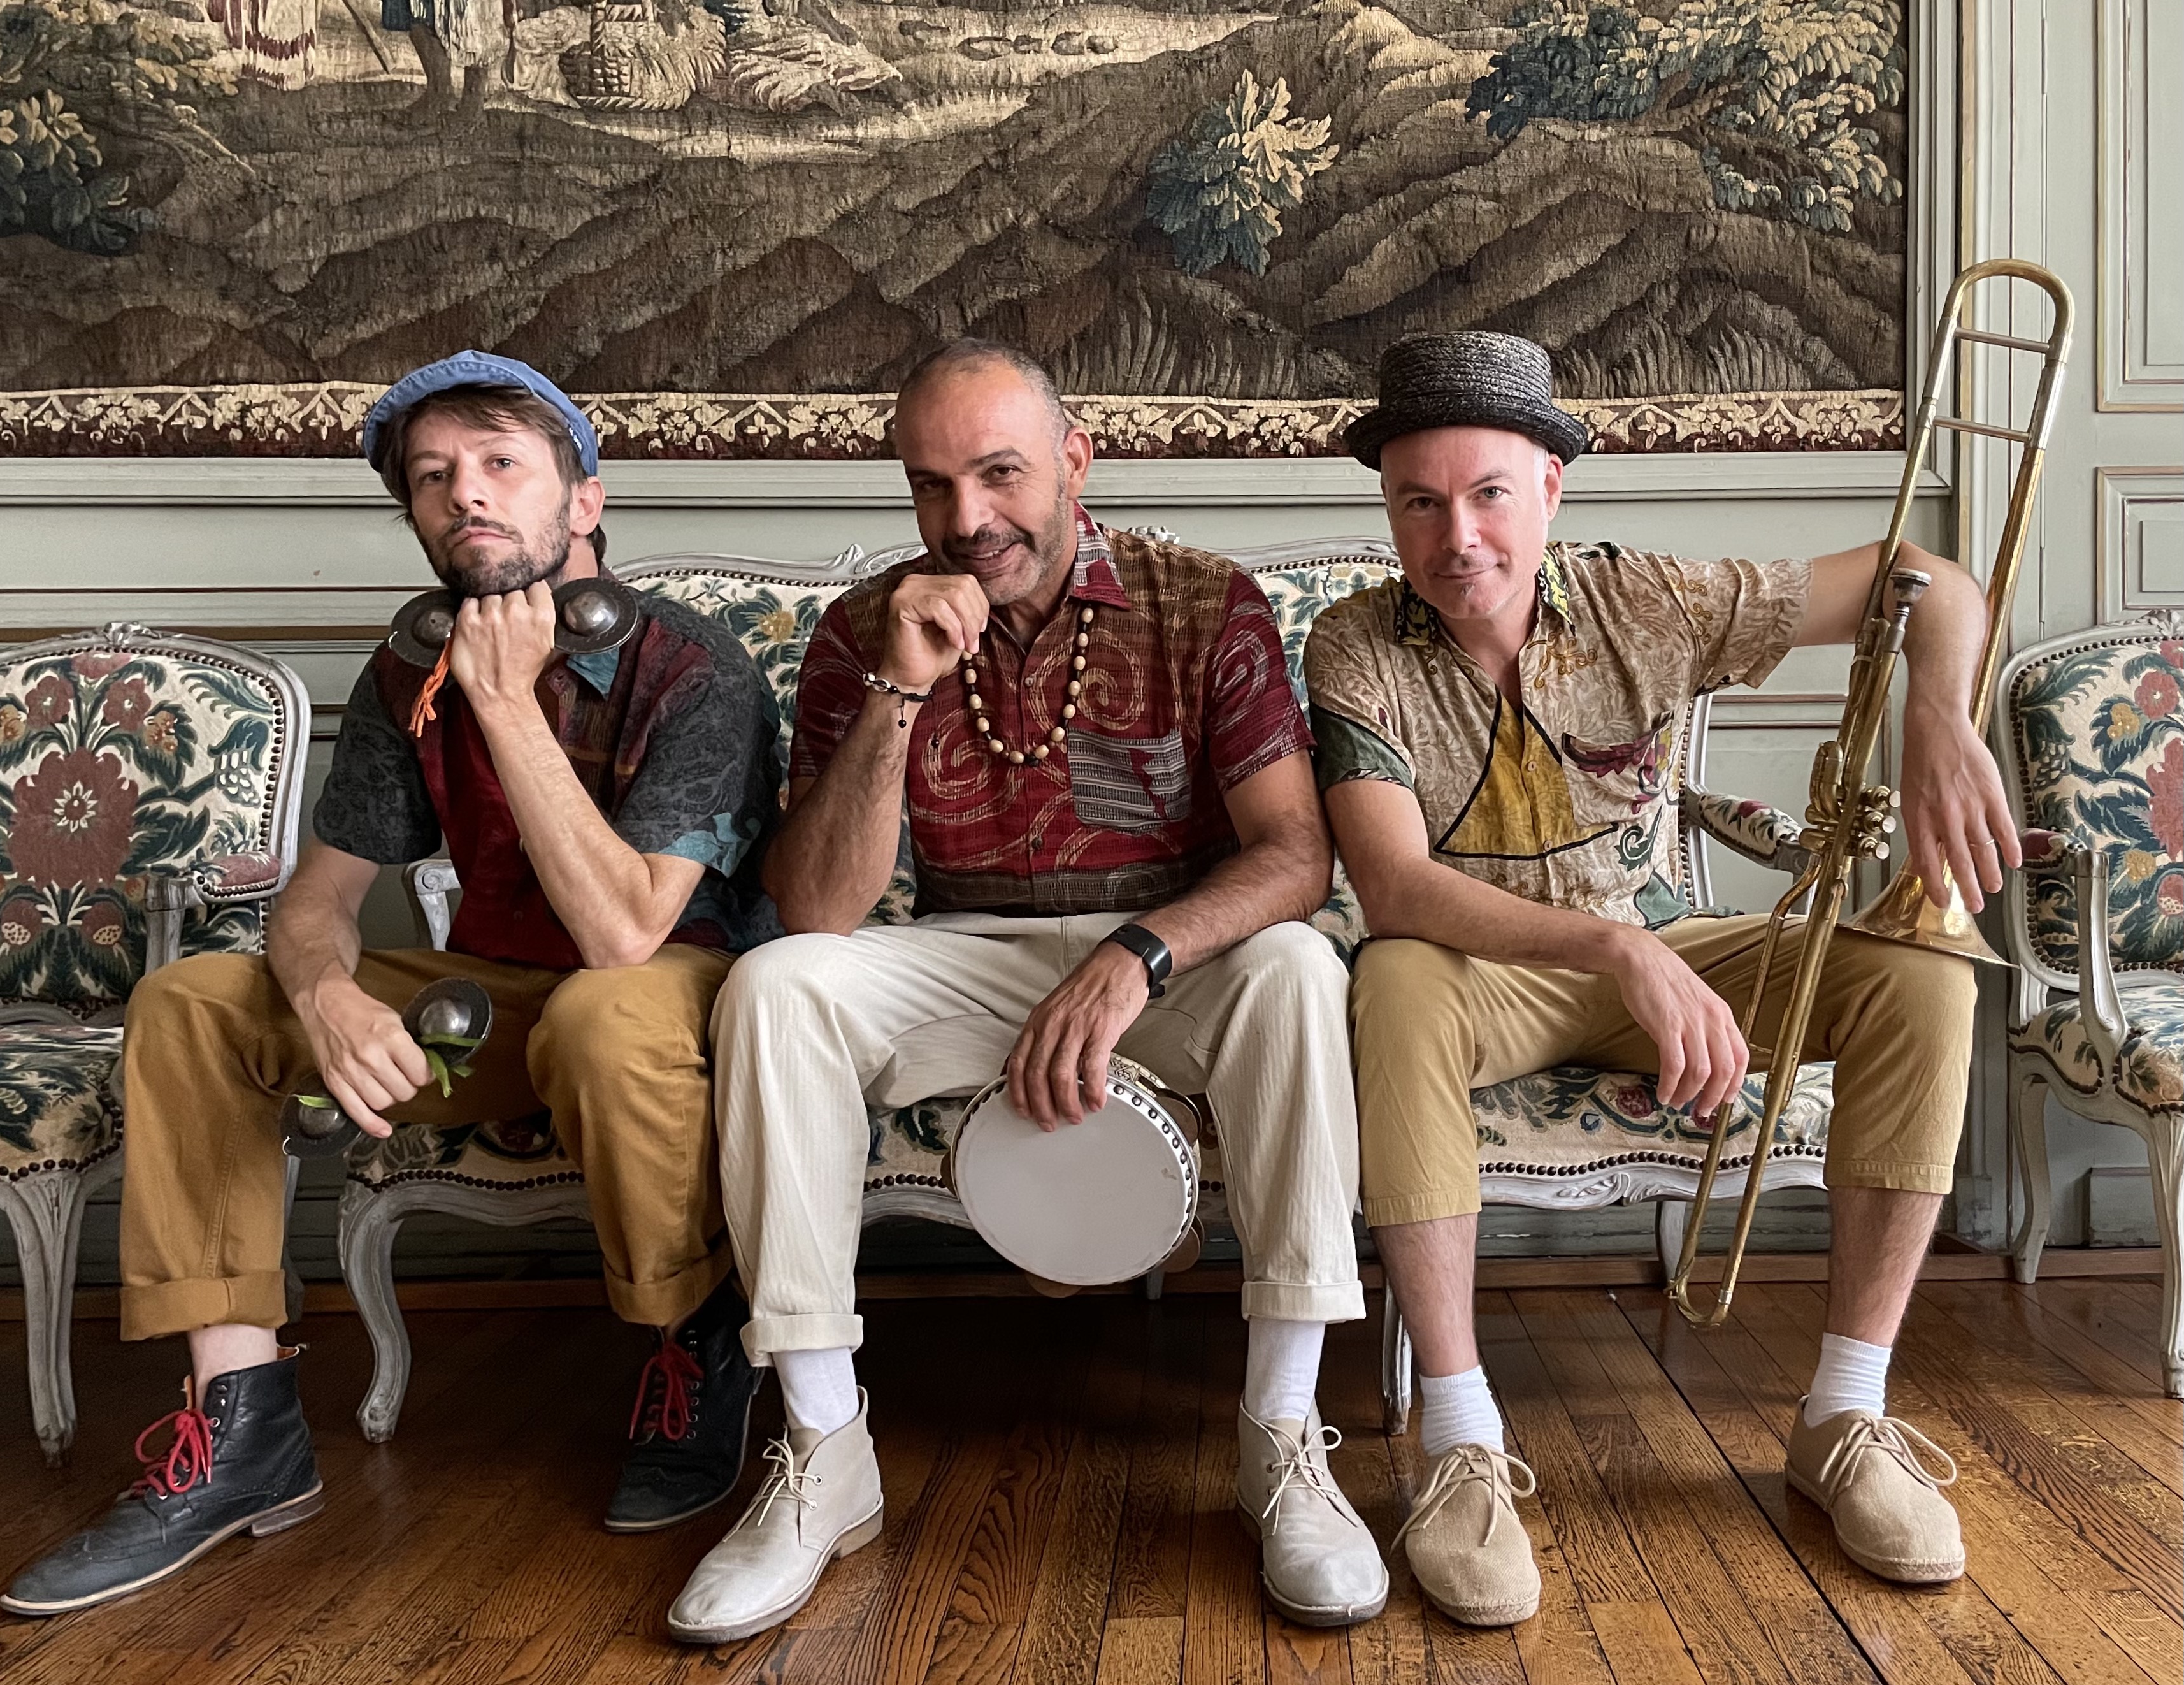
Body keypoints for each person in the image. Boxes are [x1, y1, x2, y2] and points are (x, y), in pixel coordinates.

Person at [1, 351, 786, 1616]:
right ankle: (242, 1424)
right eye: (431, 478)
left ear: (584, 501)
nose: (463, 494)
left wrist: (506, 702)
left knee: (599, 1012)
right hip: (492, 996)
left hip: (665, 988)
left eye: (499, 465)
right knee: (192, 1002)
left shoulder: (695, 672)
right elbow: (315, 902)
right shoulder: (398, 674)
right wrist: (326, 996)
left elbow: (627, 932)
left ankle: (696, 1342)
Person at [665, 340, 1389, 1644]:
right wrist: (897, 689)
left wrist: (1139, 952)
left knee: (1294, 963)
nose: (966, 517)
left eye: (999, 473)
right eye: (931, 484)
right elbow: (819, 907)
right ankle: (824, 1449)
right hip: (963, 950)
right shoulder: (863, 629)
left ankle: (1282, 1434)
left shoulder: (1200, 601)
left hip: (1165, 956)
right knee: (775, 983)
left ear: (1073, 460)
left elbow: (1294, 855)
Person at [1305, 331, 2006, 1623]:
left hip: (1664, 949)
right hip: (1480, 973)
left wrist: (1936, 712)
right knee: (1391, 978)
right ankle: (1459, 1440)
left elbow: (1925, 576)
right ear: (1388, 507)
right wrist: (1613, 949)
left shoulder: (1648, 599)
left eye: (1487, 494)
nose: (1456, 537)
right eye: (1418, 502)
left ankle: (1843, 1413)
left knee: (1926, 978)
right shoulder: (1352, 644)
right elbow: (1392, 887)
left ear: (1549, 489)